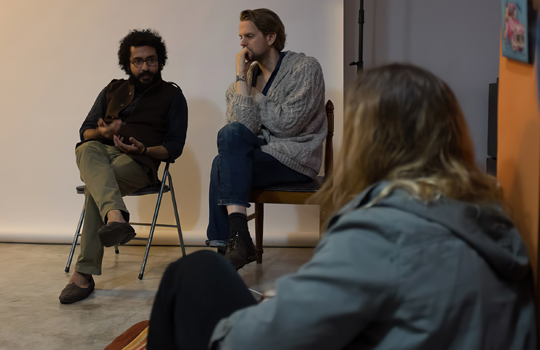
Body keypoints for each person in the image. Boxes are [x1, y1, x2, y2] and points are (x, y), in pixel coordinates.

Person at [147, 64, 536, 349]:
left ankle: (229, 241)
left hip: (288, 162)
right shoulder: (490, 218)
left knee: (194, 272)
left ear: (370, 140)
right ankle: (234, 236)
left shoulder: (384, 232)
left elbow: (256, 341)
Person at [59, 29, 188, 304]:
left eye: (151, 60)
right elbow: (85, 131)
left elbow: (174, 148)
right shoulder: (112, 89)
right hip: (100, 154)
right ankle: (116, 217)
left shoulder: (172, 96)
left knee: (99, 186)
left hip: (138, 162)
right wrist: (104, 134)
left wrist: (143, 149)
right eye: (138, 61)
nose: (145, 67)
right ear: (127, 64)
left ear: (160, 61)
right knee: (87, 147)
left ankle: (83, 274)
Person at [206, 8, 327, 269]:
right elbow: (241, 130)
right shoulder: (244, 80)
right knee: (228, 138)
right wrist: (241, 78)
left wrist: (252, 94)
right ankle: (237, 240)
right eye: (240, 37)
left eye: (249, 36)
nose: (242, 43)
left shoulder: (305, 68)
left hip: (295, 158)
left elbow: (288, 125)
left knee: (220, 166)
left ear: (271, 37)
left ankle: (223, 256)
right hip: (262, 155)